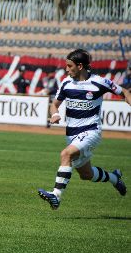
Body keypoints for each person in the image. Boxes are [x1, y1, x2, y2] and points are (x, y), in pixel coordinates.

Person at [37, 49, 131, 210]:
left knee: (66, 154)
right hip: (72, 134)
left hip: (91, 131)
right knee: (86, 175)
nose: (66, 69)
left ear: (80, 66)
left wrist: (128, 99)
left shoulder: (99, 82)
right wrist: (55, 114)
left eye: (69, 66)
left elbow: (123, 91)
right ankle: (114, 178)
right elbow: (54, 105)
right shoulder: (66, 83)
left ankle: (56, 196)